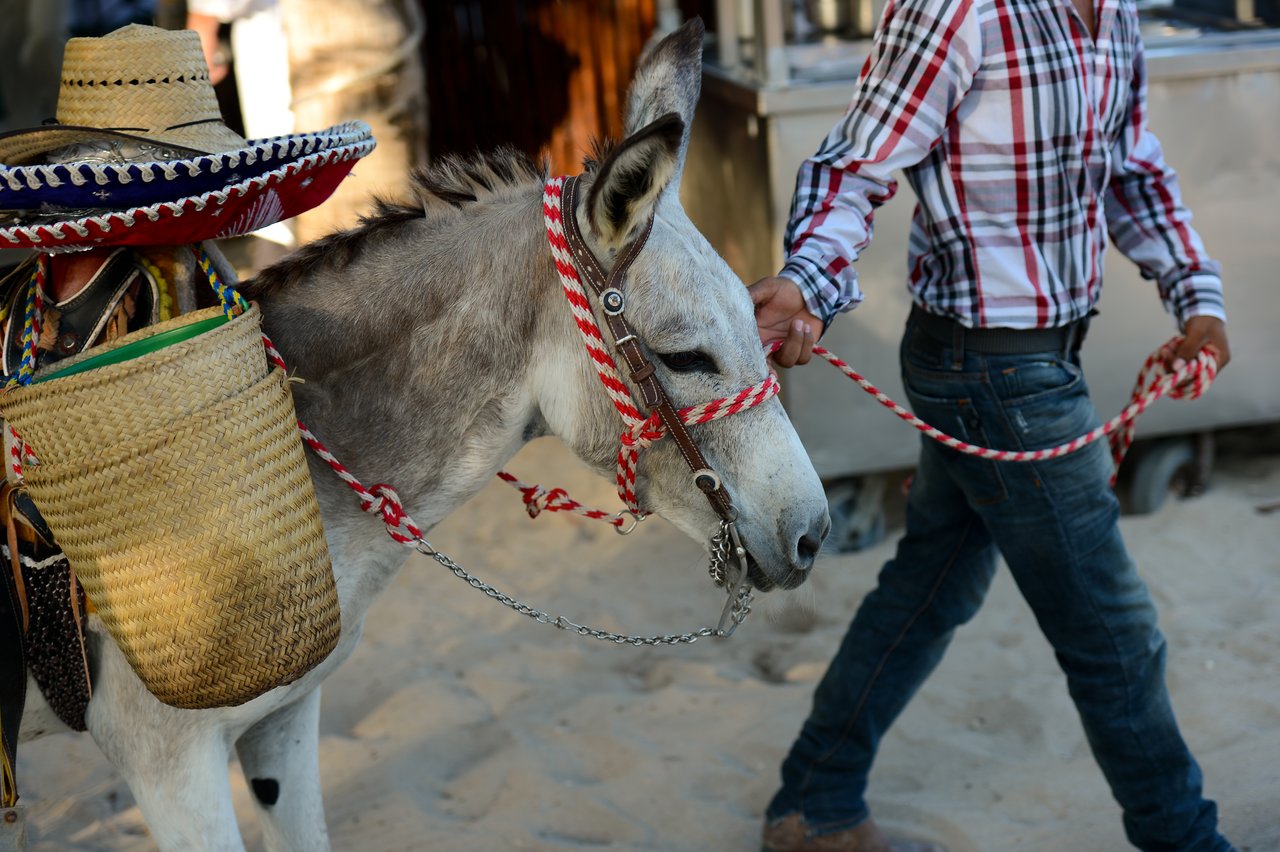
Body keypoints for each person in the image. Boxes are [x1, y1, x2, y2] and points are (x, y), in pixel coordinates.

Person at [749, 0, 1234, 850]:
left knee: (934, 583)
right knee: (1114, 634)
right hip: (994, 374)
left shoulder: (1112, 12)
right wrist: (807, 285)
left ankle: (813, 801)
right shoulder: (959, 10)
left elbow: (1131, 166)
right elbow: (853, 168)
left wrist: (1195, 294)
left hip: (1032, 363)